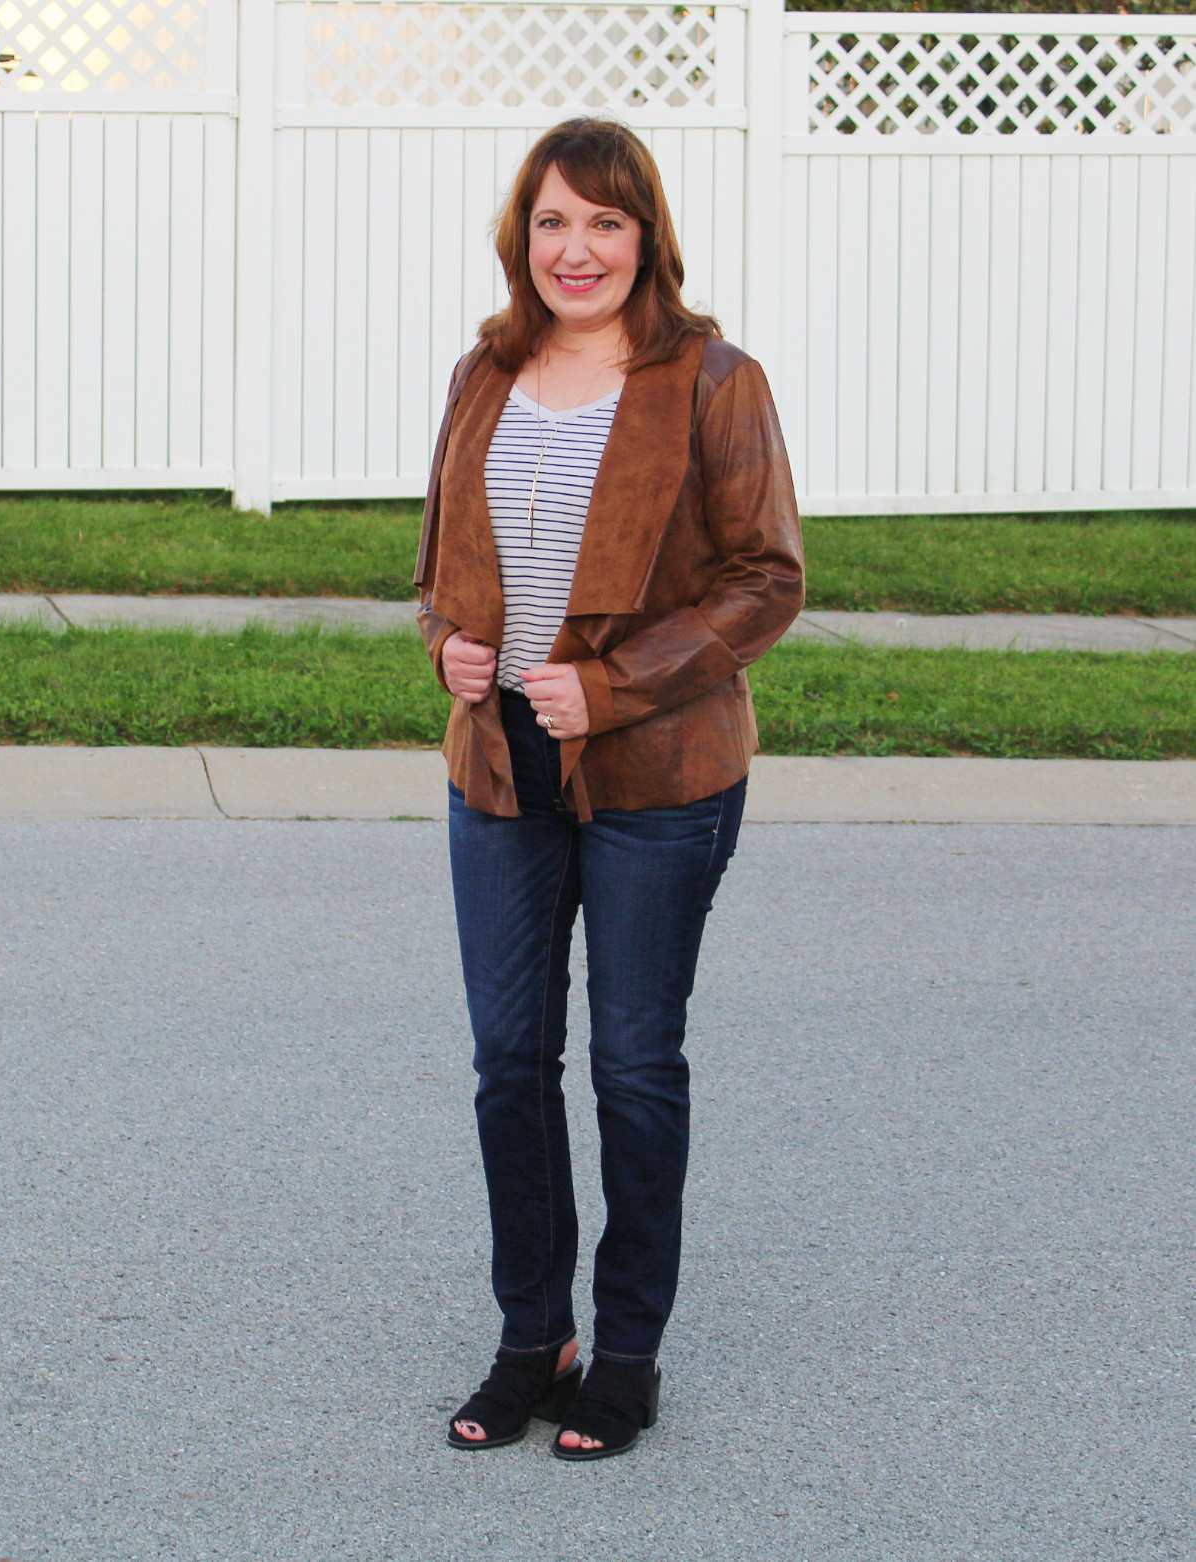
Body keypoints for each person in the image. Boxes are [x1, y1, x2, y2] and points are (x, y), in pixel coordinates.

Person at [415, 117, 804, 1461]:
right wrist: (448, 641)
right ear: (520, 237)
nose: (574, 249)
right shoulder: (486, 369)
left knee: (634, 1065)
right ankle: (537, 1335)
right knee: (505, 1064)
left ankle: (625, 1351)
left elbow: (767, 578)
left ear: (646, 236)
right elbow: (440, 565)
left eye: (603, 222)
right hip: (498, 765)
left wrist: (619, 683)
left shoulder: (710, 380)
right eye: (550, 222)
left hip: (654, 773)